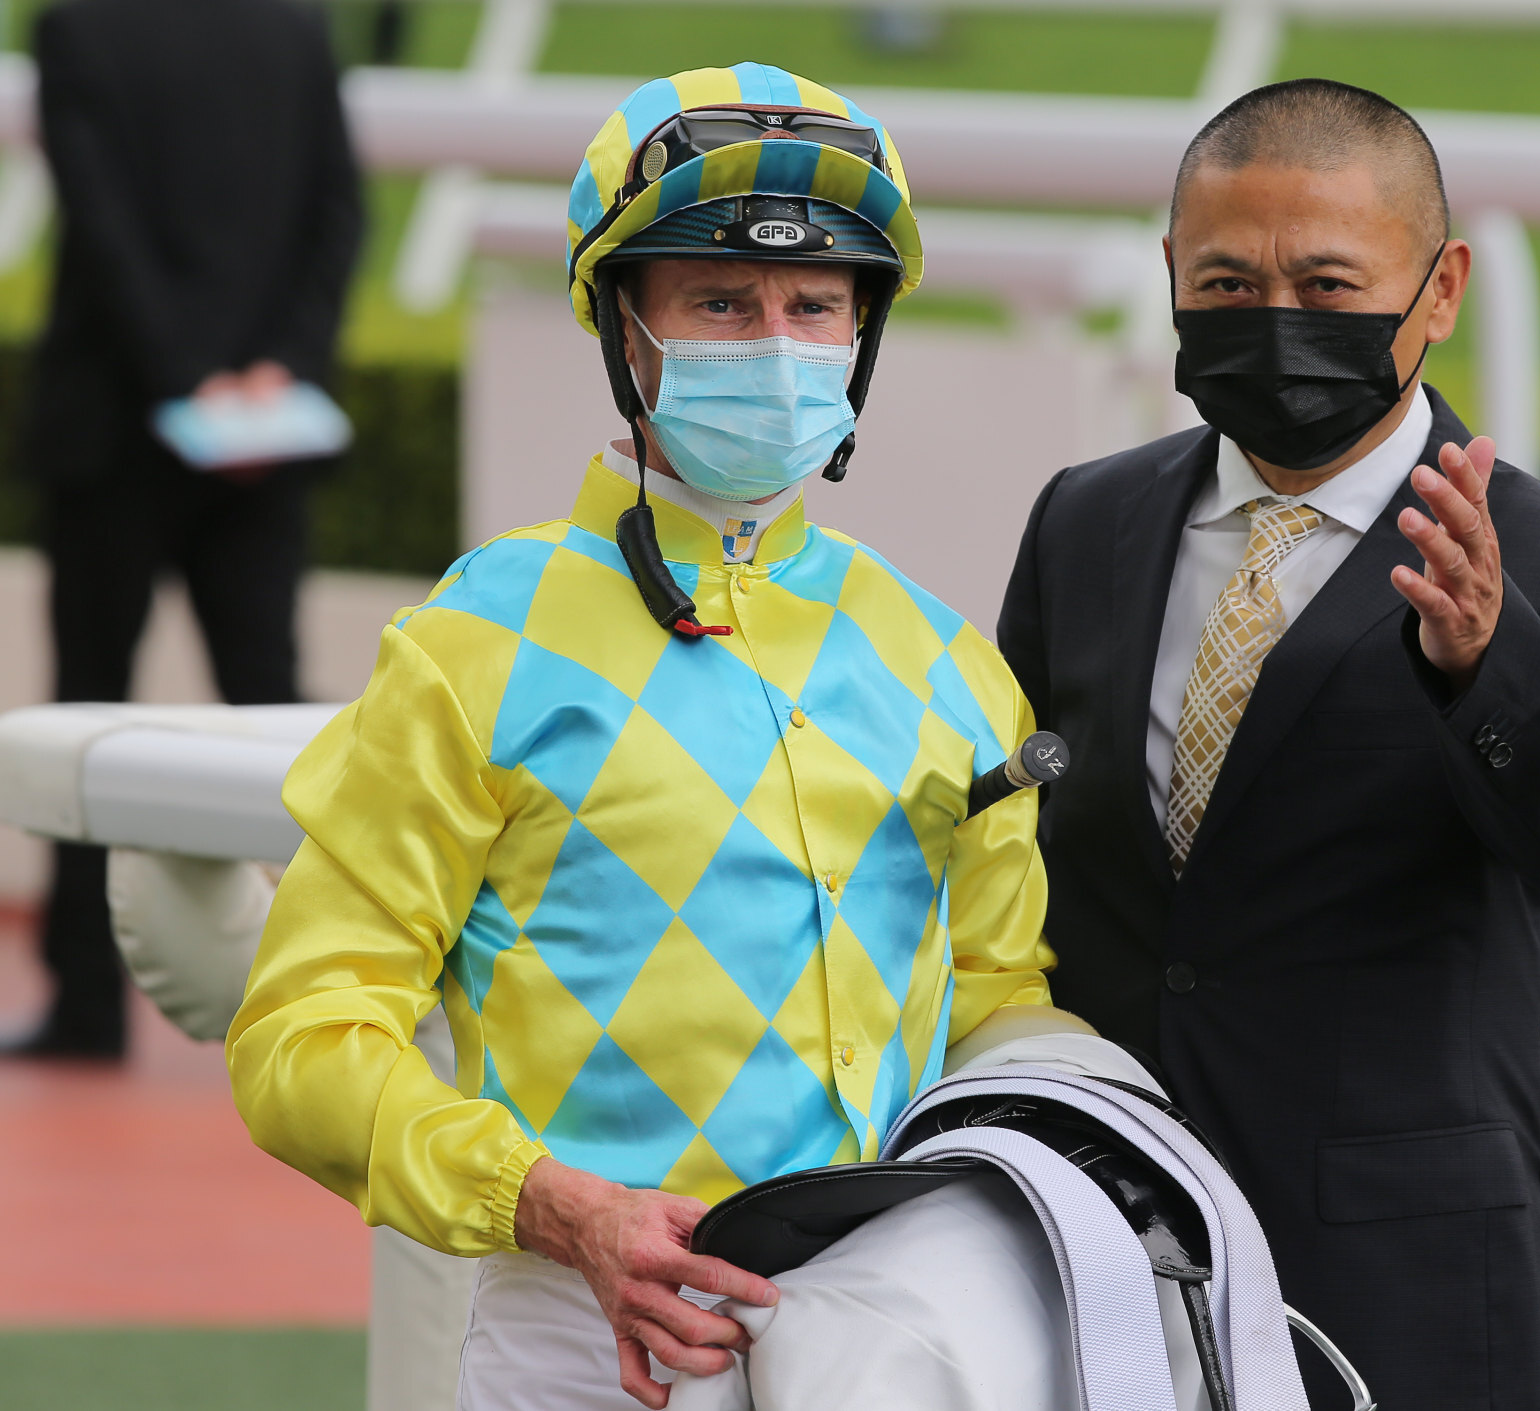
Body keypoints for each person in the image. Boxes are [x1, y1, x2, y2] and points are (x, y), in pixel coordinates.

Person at [226, 63, 1055, 1411]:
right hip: (583, 1338)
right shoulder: (478, 641)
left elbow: (1000, 1011)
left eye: (814, 305)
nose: (776, 341)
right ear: (627, 328)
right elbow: (301, 1036)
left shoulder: (948, 663)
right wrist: (555, 1205)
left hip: (901, 1334)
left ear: (861, 336)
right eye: (720, 301)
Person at [997, 79, 1540, 1410]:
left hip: (1402, 1287)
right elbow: (1007, 833)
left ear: (1439, 290)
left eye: (1325, 280)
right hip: (1090, 1251)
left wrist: (1487, 658)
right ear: (1172, 279)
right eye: (1228, 284)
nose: (1277, 321)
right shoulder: (1087, 521)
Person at [13, 0, 361, 1058]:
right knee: (286, 730)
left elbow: (103, 226)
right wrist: (270, 379)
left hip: (117, 432)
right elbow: (337, 215)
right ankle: (335, 1002)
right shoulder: (296, 28)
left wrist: (189, 383)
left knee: (89, 714)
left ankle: (85, 1007)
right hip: (264, 434)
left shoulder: (76, 27)